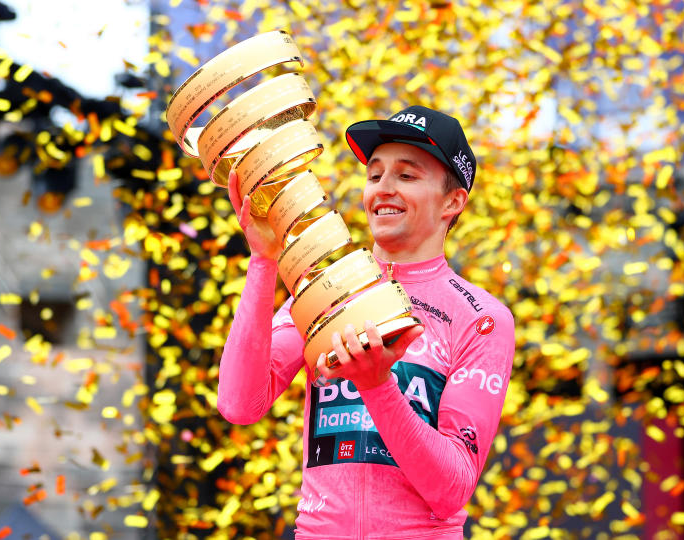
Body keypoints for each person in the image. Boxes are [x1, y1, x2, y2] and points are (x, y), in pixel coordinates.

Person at [217, 105, 515, 539]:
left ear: (453, 201)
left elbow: (452, 488)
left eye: (406, 176)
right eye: (375, 175)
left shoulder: (482, 317)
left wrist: (377, 386)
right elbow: (240, 405)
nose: (383, 189)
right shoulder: (326, 290)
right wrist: (264, 261)